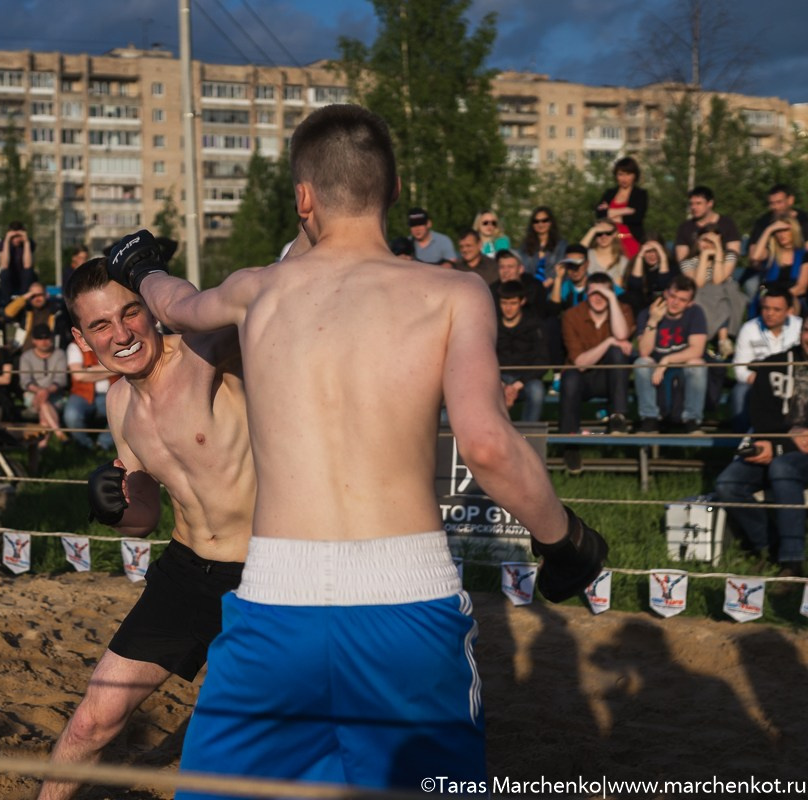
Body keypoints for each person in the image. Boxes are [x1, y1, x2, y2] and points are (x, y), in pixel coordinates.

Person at [104, 104, 606, 795]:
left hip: (277, 595)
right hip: (407, 595)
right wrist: (566, 540)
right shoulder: (453, 292)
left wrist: (141, 268)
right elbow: (488, 446)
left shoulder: (259, 291)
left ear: (302, 198)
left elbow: (178, 303)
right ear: (393, 191)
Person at [38, 258, 254, 800]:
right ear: (81, 337)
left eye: (130, 312)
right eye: (101, 325)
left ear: (151, 311)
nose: (122, 333)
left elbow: (265, 297)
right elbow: (145, 519)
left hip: (265, 574)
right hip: (186, 571)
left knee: (242, 739)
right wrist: (111, 509)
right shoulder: (118, 402)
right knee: (91, 722)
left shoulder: (204, 352)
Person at [714, 320, 808, 578]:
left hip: (789, 456)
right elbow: (760, 417)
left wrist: (779, 446)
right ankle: (770, 547)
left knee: (783, 467)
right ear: (801, 333)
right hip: (775, 445)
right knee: (727, 484)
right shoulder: (773, 364)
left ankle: (792, 563)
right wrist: (781, 443)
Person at [558, 273, 635, 472]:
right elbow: (580, 362)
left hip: (612, 379)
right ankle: (570, 443)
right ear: (586, 293)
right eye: (594, 293)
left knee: (617, 353)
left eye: (605, 293)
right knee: (571, 377)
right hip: (581, 378)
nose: (598, 298)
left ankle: (618, 416)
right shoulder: (572, 316)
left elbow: (622, 334)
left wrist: (612, 300)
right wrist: (608, 342)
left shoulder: (622, 310)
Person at [633, 274, 708, 433]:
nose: (675, 303)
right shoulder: (647, 313)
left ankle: (692, 420)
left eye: (682, 300)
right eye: (672, 296)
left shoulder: (695, 313)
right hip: (654, 370)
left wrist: (667, 360)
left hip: (682, 368)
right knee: (642, 362)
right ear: (665, 294)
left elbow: (697, 350)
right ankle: (649, 418)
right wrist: (653, 321)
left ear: (690, 303)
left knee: (697, 364)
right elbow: (644, 351)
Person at [731, 285, 801, 432]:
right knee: (740, 392)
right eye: (766, 308)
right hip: (757, 382)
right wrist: (761, 380)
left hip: (794, 382)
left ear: (789, 311)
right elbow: (739, 369)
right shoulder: (749, 329)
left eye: (776, 310)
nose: (769, 313)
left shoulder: (800, 328)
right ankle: (742, 441)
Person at [680, 226, 748, 356]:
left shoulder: (729, 256)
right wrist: (705, 256)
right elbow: (698, 284)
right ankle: (722, 340)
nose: (707, 244)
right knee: (701, 294)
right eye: (704, 240)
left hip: (724, 292)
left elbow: (718, 280)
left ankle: (719, 341)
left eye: (712, 241)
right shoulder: (688, 262)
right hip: (702, 294)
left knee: (721, 291)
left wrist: (717, 251)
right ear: (697, 241)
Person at [495, 281, 547, 423]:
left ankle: (528, 436)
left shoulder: (534, 325)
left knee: (537, 391)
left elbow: (542, 360)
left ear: (522, 301)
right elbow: (483, 358)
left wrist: (518, 384)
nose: (508, 308)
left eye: (513, 303)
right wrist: (500, 383)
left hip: (527, 378)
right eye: (504, 303)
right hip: (497, 377)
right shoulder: (491, 324)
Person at [17, 324, 68, 447]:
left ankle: (42, 445)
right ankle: (58, 432)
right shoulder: (26, 356)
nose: (44, 341)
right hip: (32, 395)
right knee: (44, 402)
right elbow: (25, 381)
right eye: (40, 338)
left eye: (47, 338)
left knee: (44, 404)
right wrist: (40, 391)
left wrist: (45, 391)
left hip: (55, 395)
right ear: (34, 340)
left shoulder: (59, 354)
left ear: (51, 338)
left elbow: (61, 379)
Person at [63, 336, 115, 451]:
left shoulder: (113, 343)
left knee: (123, 411)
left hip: (112, 391)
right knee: (71, 415)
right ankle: (85, 445)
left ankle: (104, 444)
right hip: (82, 393)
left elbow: (120, 368)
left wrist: (88, 370)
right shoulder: (74, 346)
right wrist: (109, 369)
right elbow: (78, 375)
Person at [674, 186, 742, 273]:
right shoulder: (685, 227)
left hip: (722, 271)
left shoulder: (727, 224)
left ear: (710, 203)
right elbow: (682, 259)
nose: (694, 207)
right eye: (691, 204)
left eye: (698, 203)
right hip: (694, 273)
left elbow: (734, 253)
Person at [595, 156, 648, 260]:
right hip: (610, 240)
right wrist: (625, 210)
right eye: (621, 174)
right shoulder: (609, 194)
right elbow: (599, 214)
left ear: (635, 175)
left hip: (630, 239)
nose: (624, 178)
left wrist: (609, 213)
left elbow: (637, 217)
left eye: (628, 174)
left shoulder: (640, 194)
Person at [746, 184, 808, 265]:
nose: (775, 207)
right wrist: (769, 230)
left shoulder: (804, 219)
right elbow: (754, 256)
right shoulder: (763, 222)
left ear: (790, 200)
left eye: (779, 202)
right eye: (772, 203)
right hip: (770, 266)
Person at [624, 235, 672, 314]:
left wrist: (663, 258)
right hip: (640, 309)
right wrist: (640, 257)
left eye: (656, 250)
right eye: (648, 251)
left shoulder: (671, 265)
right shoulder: (635, 264)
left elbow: (665, 285)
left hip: (664, 308)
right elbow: (635, 287)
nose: (652, 255)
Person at [520, 205, 567, 284]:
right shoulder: (525, 246)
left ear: (550, 222)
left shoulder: (561, 245)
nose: (540, 224)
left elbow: (560, 268)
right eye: (536, 221)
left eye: (544, 220)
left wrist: (543, 287)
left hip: (554, 289)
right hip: (530, 289)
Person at [0, 221, 37, 304]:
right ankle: (6, 302)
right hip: (10, 278)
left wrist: (26, 242)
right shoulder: (4, 243)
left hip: (24, 279)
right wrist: (7, 241)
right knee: (4, 273)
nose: (16, 239)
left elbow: (28, 265)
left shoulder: (29, 243)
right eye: (14, 237)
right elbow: (4, 265)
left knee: (28, 272)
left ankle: (25, 301)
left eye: (18, 236)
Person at [580, 221, 629, 286]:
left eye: (608, 233)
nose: (604, 236)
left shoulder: (622, 261)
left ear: (614, 234)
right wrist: (593, 230)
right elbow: (577, 253)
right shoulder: (588, 255)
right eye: (599, 233)